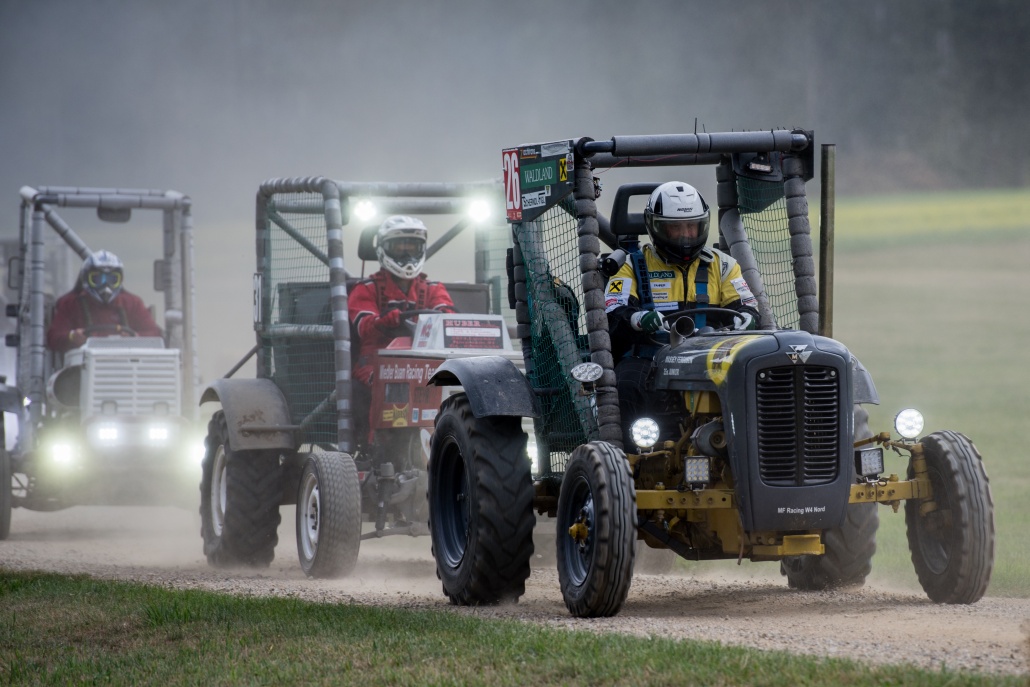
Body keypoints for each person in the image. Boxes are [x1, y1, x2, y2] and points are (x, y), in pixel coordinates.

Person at [604, 181, 759, 445]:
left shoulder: (723, 265)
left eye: (691, 226)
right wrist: (638, 319)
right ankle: (627, 455)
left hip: (709, 356)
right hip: (649, 356)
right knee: (626, 386)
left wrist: (745, 318)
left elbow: (747, 308)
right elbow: (614, 312)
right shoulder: (630, 265)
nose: (686, 235)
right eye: (675, 228)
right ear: (655, 227)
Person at [348, 215, 456, 444]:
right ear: (383, 249)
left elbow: (448, 316)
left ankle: (447, 443)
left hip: (423, 363)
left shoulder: (433, 288)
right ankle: (376, 447)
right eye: (399, 247)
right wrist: (384, 321)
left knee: (453, 384)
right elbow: (364, 326)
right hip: (375, 363)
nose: (406, 254)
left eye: (412, 247)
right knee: (387, 384)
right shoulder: (366, 288)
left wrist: (438, 319)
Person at [46, 250, 162, 353]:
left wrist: (135, 336)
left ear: (120, 280)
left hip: (128, 366)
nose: (105, 285)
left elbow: (155, 334)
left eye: (112, 279)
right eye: (97, 279)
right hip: (81, 367)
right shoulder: (70, 304)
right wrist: (72, 337)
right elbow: (53, 337)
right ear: (86, 279)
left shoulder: (132, 303)